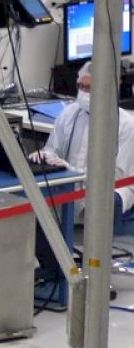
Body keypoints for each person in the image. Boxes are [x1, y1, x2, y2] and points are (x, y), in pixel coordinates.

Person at [31, 60, 134, 232]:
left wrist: (71, 171)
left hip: (112, 191)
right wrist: (45, 156)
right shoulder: (69, 114)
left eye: (89, 88)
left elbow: (117, 178)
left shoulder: (125, 125)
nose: (83, 93)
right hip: (72, 187)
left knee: (106, 200)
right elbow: (53, 149)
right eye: (81, 87)